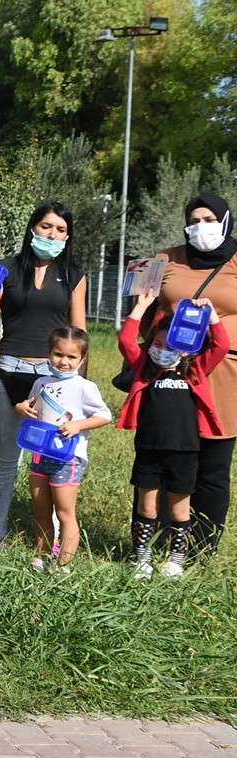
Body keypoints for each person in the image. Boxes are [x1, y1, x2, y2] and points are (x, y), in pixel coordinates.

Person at [0, 201, 87, 549]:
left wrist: (80, 387)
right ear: (32, 228)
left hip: (53, 383)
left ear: (68, 235)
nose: (52, 235)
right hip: (8, 374)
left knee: (53, 461)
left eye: (60, 230)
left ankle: (52, 540)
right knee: (5, 461)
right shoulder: (6, 269)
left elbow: (79, 332)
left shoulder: (74, 276)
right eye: (46, 227)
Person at [118, 292, 228, 579]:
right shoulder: (145, 368)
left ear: (188, 347)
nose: (161, 350)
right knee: (147, 506)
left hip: (185, 452)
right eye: (156, 344)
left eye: (170, 346)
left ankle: (175, 561)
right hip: (148, 449)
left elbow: (221, 345)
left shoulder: (195, 371)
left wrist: (212, 316)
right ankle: (142, 558)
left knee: (180, 510)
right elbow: (127, 341)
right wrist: (140, 307)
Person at [150, 193, 237, 555]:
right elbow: (142, 306)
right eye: (194, 220)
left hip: (226, 372)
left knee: (214, 464)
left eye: (209, 219)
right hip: (173, 372)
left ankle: (203, 547)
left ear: (226, 221)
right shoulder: (165, 259)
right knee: (168, 457)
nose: (201, 227)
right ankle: (163, 541)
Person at [13, 327, 111, 571]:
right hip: (39, 454)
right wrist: (21, 408)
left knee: (65, 512)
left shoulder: (83, 387)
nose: (63, 361)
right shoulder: (41, 382)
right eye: (58, 354)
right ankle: (42, 556)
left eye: (71, 357)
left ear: (82, 359)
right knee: (41, 510)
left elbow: (104, 415)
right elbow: (32, 407)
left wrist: (79, 424)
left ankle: (63, 566)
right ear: (49, 353)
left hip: (68, 459)